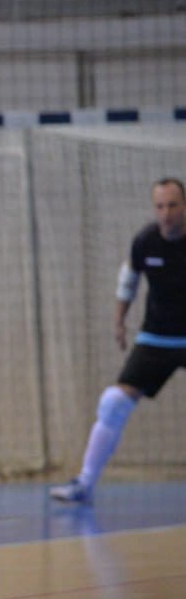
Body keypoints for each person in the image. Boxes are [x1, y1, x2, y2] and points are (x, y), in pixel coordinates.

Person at [51, 177, 186, 504]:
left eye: (172, 205)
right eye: (159, 206)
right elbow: (130, 279)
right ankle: (84, 484)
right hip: (157, 337)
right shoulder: (145, 241)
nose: (166, 213)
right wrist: (119, 321)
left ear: (184, 206)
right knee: (113, 403)